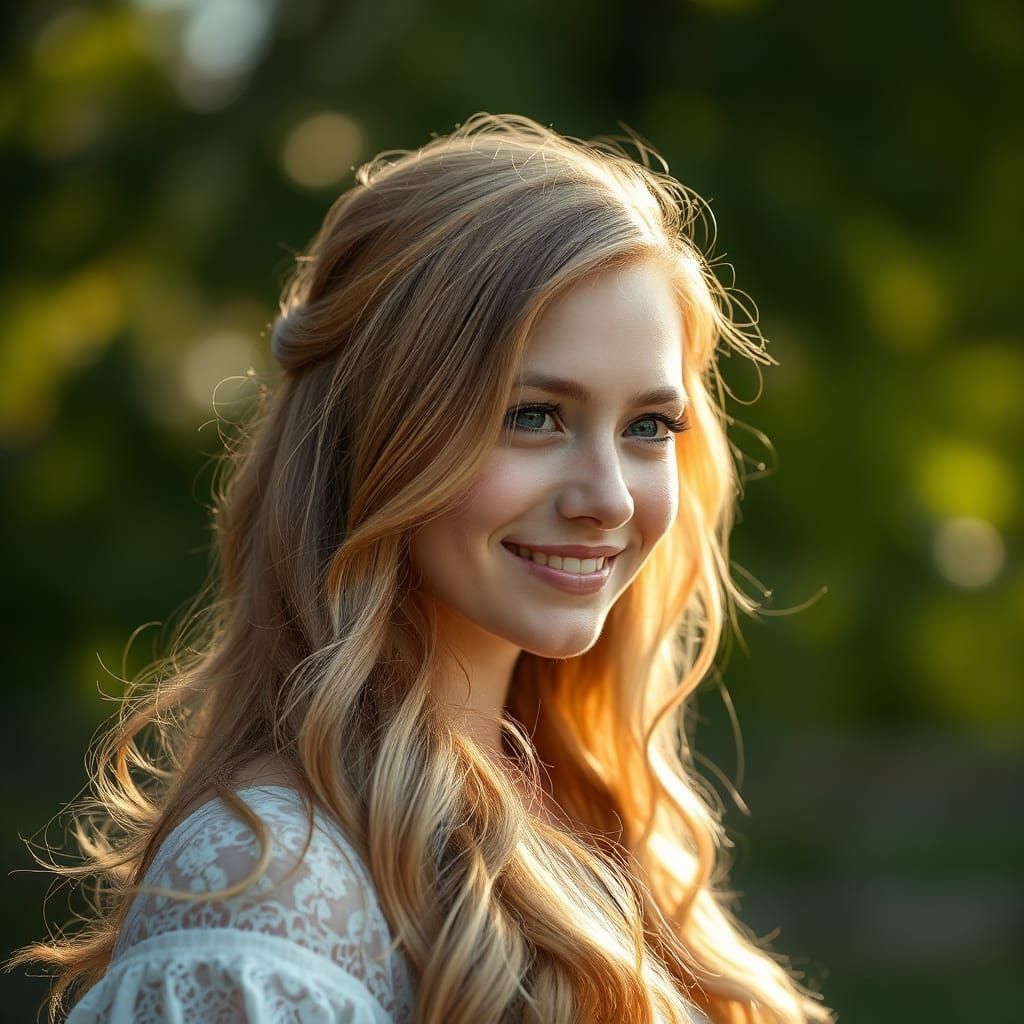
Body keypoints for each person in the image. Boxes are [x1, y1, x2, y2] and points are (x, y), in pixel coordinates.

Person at [8, 112, 834, 1023]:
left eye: (648, 427)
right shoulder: (273, 891)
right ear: (378, 433)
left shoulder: (607, 833)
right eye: (534, 414)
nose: (607, 495)